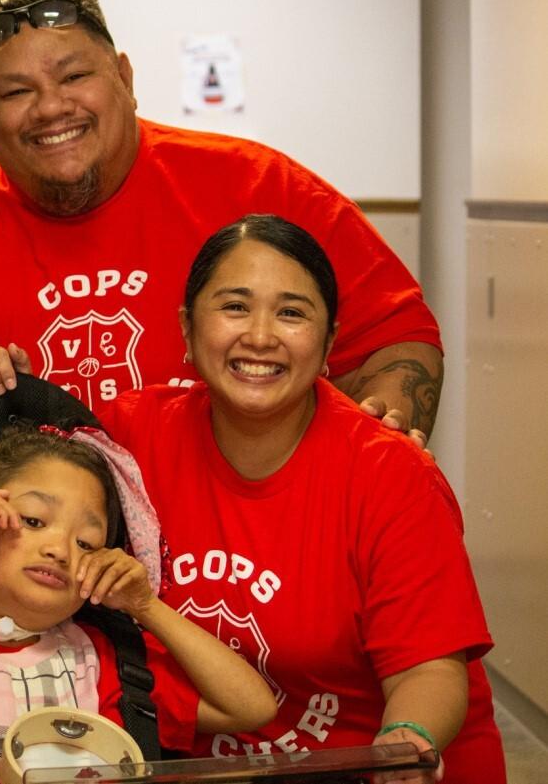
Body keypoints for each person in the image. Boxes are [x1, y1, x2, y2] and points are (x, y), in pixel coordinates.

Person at [0, 0, 442, 447]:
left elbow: (397, 335)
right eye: (17, 92)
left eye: (74, 76)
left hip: (231, 557)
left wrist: (379, 439)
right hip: (18, 578)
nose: (50, 108)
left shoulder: (255, 186)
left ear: (123, 76)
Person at [94, 215, 503, 784]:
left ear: (330, 340)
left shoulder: (390, 472)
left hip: (361, 769)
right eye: (235, 307)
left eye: (291, 313)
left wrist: (406, 743)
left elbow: (426, 669)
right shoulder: (130, 436)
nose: (260, 337)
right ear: (187, 328)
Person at [0, 426, 276, 782]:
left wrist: (145, 605)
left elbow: (250, 707)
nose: (59, 548)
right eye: (34, 521)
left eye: (85, 543)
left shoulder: (105, 662)